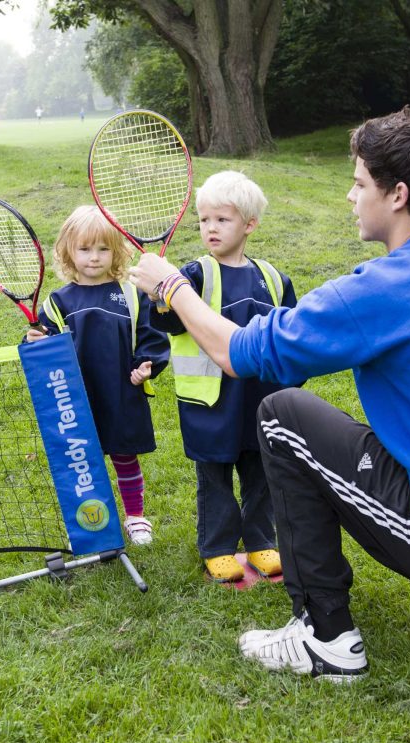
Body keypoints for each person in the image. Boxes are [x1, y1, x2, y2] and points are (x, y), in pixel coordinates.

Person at [128, 106, 410, 682]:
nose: (350, 196)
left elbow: (238, 353)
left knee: (282, 416)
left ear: (397, 195)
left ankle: (327, 637)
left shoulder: (377, 293)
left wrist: (171, 286)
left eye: (359, 182)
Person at [150, 171, 298, 584]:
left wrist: (290, 386)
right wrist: (160, 302)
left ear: (249, 224)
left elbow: (288, 337)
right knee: (214, 476)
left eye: (222, 220)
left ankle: (260, 540)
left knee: (261, 472)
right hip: (211, 403)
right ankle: (217, 547)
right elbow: (171, 325)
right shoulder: (193, 275)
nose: (210, 228)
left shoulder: (272, 277)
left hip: (259, 398)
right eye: (204, 220)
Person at [27, 205, 170, 545]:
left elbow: (152, 337)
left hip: (121, 391)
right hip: (76, 397)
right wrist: (33, 340)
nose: (94, 257)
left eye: (103, 249)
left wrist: (146, 364)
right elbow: (42, 346)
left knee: (124, 455)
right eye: (85, 249)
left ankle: (135, 516)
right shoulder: (58, 301)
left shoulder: (131, 294)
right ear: (68, 252)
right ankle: (93, 519)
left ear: (116, 251)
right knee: (83, 461)